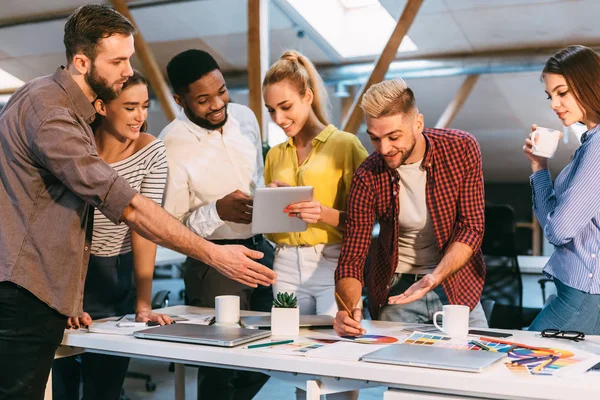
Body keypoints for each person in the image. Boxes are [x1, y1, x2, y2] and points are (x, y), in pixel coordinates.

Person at [0, 5, 275, 399]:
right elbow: (125, 204)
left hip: (38, 286)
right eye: (118, 61)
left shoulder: (45, 97)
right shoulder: (53, 116)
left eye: (129, 58)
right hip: (25, 291)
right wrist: (214, 255)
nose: (128, 69)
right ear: (81, 61)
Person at [333, 78, 488, 338]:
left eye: (393, 137)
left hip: (455, 286)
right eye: (374, 138)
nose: (384, 149)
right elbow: (352, 257)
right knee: (398, 374)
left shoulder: (461, 148)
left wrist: (434, 277)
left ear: (418, 123)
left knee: (476, 366)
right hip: (397, 292)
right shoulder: (367, 175)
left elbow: (471, 227)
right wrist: (347, 310)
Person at [160, 49, 273, 400]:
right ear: (180, 100)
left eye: (221, 90)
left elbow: (259, 176)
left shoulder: (245, 117)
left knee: (272, 351)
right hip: (214, 262)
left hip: (263, 249)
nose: (218, 104)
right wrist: (217, 211)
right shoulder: (170, 143)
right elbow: (172, 226)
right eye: (204, 99)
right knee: (220, 366)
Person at [51, 71, 171, 399]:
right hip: (67, 273)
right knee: (58, 387)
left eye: (145, 106)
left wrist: (143, 305)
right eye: (130, 107)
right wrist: (70, 298)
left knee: (103, 388)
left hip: (117, 277)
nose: (141, 116)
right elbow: (62, 224)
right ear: (103, 107)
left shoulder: (152, 152)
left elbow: (145, 230)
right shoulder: (78, 147)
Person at [262, 50, 368, 400]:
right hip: (284, 266)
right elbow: (269, 229)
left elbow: (371, 220)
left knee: (338, 366)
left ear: (307, 97)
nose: (279, 118)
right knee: (297, 366)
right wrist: (268, 206)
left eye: (286, 107)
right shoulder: (275, 154)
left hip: (331, 264)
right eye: (271, 110)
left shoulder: (345, 145)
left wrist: (323, 213)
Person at [523, 45, 600, 335]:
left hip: (583, 296)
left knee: (520, 364)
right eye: (550, 95)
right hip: (578, 293)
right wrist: (538, 165)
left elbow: (558, 230)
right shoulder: (589, 144)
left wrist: (542, 172)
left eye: (562, 92)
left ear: (588, 83)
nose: (554, 103)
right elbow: (553, 225)